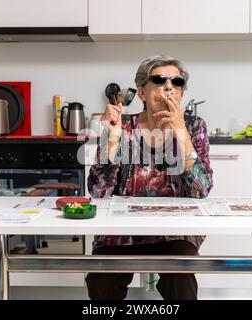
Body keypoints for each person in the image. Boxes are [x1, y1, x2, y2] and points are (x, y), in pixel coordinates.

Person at [86, 55, 213, 300]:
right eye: (159, 80)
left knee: (181, 278)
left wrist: (180, 132)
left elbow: (202, 189)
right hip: (122, 230)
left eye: (176, 82)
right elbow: (98, 192)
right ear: (142, 93)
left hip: (175, 230)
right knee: (101, 280)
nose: (169, 87)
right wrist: (111, 141)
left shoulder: (194, 125)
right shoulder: (121, 125)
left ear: (181, 94)